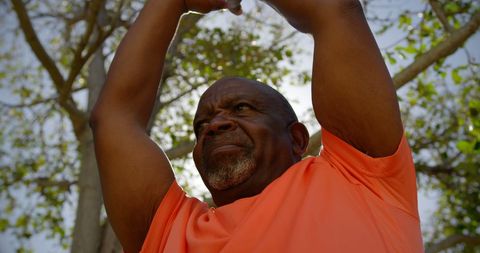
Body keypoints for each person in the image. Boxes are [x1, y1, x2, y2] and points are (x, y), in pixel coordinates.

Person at [89, 0, 424, 252]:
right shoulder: (171, 234)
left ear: (296, 138)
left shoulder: (360, 177)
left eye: (241, 108)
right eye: (201, 123)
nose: (214, 125)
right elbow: (113, 119)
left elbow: (334, 11)